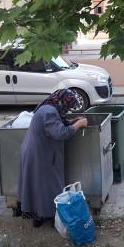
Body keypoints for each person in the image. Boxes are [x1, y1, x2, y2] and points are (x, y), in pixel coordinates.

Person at [17, 89, 88, 227]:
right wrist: (78, 125)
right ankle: (48, 217)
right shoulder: (49, 111)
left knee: (40, 186)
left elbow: (57, 124)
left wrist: (72, 121)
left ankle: (42, 217)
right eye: (67, 106)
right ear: (61, 102)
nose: (68, 110)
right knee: (45, 186)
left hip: (38, 152)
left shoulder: (49, 108)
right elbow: (60, 133)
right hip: (38, 154)